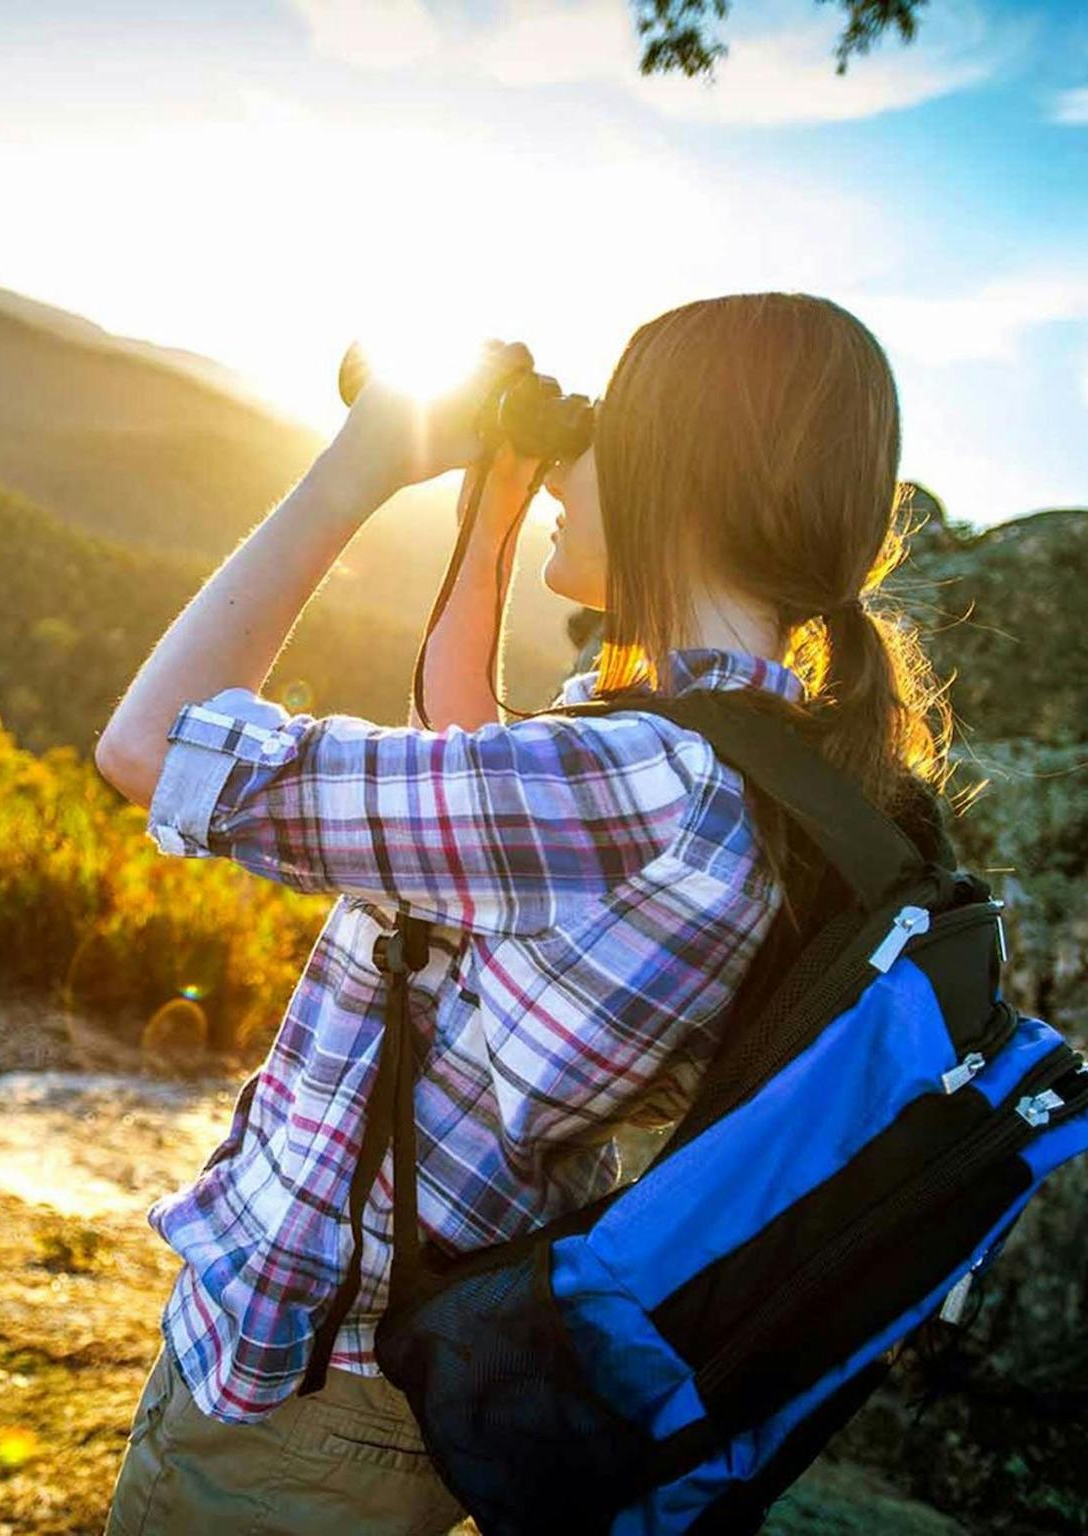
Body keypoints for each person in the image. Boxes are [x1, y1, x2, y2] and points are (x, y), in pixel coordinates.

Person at [92, 295, 956, 1534]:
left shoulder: (632, 782)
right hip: (400, 1370)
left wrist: (355, 471)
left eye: (610, 423)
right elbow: (479, 787)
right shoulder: (752, 758)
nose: (573, 462)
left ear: (680, 476)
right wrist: (488, 526)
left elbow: (146, 745)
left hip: (296, 1403)